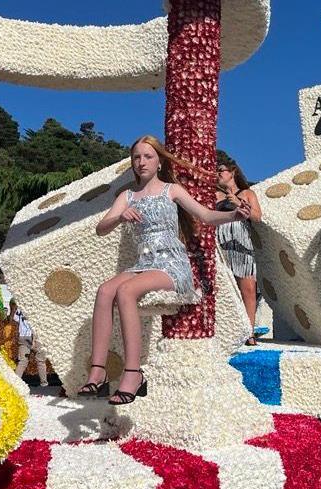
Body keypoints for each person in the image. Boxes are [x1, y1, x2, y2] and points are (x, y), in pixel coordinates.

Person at [80, 135, 251, 405]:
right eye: (137, 157)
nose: (141, 162)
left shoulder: (171, 190)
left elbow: (206, 215)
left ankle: (134, 373)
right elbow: (101, 229)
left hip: (171, 265)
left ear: (159, 162)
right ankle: (98, 372)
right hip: (143, 264)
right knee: (104, 291)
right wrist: (118, 216)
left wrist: (233, 215)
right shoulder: (127, 196)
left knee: (126, 291)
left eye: (148, 156)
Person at [215, 160, 263, 346]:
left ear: (232, 172)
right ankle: (226, 331)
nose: (217, 174)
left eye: (221, 171)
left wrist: (239, 204)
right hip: (222, 243)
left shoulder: (248, 193)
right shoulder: (215, 195)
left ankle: (249, 332)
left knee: (248, 289)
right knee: (225, 290)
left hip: (242, 243)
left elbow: (257, 217)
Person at [11, 301, 48, 385]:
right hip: (37, 337)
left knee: (23, 361)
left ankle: (14, 384)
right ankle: (44, 382)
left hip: (24, 337)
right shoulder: (40, 307)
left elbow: (15, 319)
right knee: (41, 361)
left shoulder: (19, 308)